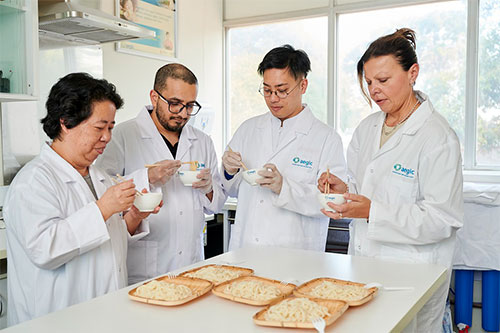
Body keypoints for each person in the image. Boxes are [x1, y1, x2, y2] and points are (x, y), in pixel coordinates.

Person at [317, 28, 463, 332]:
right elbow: (363, 187)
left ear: (413, 73)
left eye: (383, 81)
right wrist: (345, 192)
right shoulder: (367, 128)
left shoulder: (437, 137)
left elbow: (441, 219)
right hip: (365, 266)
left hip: (414, 275)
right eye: (369, 82)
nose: (374, 90)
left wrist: (372, 211)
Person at [4, 73, 158, 325]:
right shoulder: (33, 181)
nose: (108, 137)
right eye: (99, 127)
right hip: (55, 320)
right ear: (66, 122)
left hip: (105, 314)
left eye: (110, 127)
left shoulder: (100, 176)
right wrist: (104, 208)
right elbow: (44, 249)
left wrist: (133, 216)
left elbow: (109, 240)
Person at [96, 63, 226, 284]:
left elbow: (216, 205)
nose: (183, 114)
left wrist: (209, 188)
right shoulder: (123, 135)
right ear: (154, 97)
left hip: (191, 262)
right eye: (175, 104)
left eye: (190, 106)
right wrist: (147, 178)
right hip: (145, 265)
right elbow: (102, 189)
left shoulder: (202, 141)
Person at [222, 44, 347, 251]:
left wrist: (284, 188)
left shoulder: (326, 138)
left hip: (295, 255)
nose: (273, 98)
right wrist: (228, 171)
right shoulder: (248, 129)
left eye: (281, 90)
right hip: (246, 248)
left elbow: (330, 202)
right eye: (267, 90)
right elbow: (231, 190)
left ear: (303, 86)